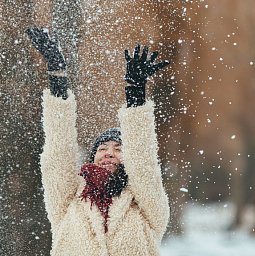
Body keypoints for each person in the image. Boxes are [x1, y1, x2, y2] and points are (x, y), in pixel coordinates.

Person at [25, 26, 170, 256]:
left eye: (118, 148)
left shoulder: (144, 205)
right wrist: (57, 78)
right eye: (102, 148)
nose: (109, 153)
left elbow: (143, 163)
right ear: (93, 157)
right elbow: (59, 153)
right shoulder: (68, 199)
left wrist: (136, 96)